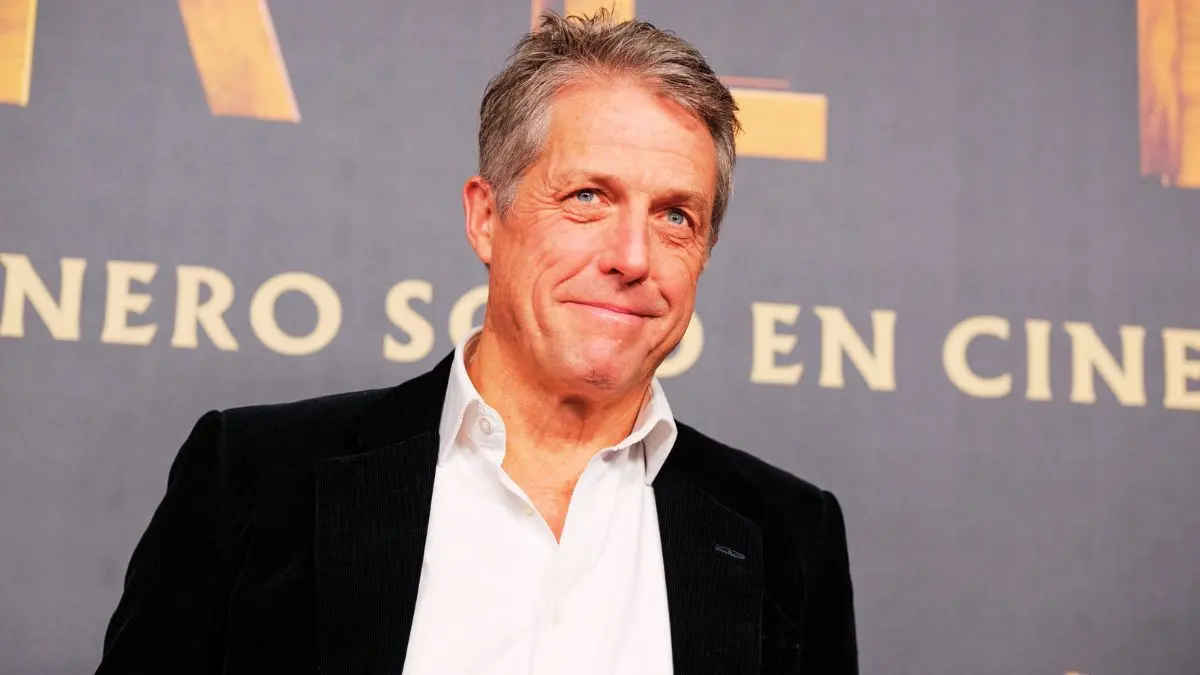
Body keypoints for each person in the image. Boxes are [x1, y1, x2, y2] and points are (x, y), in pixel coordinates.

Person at [96, 10, 857, 675]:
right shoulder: (254, 479)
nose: (633, 256)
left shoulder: (790, 538)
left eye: (675, 216)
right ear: (487, 219)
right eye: (588, 197)